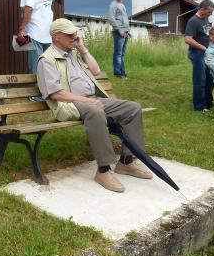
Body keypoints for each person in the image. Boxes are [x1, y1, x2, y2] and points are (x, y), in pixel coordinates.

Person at [36, 18, 152, 193]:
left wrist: (82, 49)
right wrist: (88, 101)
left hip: (91, 99)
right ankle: (104, 170)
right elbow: (56, 94)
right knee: (96, 111)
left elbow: (96, 71)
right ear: (56, 37)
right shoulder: (47, 60)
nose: (74, 36)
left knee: (133, 108)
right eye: (69, 34)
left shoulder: (74, 53)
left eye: (75, 32)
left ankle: (126, 162)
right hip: (68, 103)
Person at [17, 0, 53, 74]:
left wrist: (22, 29)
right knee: (47, 67)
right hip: (47, 32)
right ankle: (48, 91)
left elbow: (29, 8)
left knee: (36, 67)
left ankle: (37, 91)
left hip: (34, 32)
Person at [184, 0, 214, 112]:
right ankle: (199, 106)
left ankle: (208, 103)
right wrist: (203, 47)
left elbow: (207, 34)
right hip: (197, 53)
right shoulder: (193, 21)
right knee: (200, 79)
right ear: (202, 9)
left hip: (206, 52)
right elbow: (187, 39)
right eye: (209, 12)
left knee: (210, 78)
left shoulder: (205, 18)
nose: (211, 14)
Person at [108, 0, 131, 79]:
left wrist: (128, 31)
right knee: (118, 53)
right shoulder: (113, 5)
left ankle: (122, 72)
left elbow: (124, 19)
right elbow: (111, 19)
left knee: (122, 54)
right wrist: (119, 30)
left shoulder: (122, 5)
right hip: (119, 32)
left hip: (125, 32)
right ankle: (118, 73)